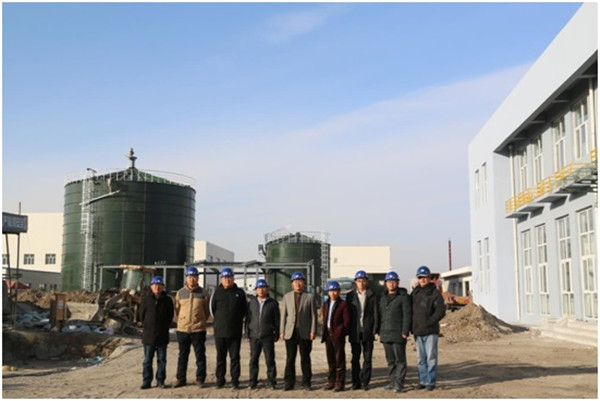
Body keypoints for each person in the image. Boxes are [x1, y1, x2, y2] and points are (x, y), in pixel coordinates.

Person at [210, 267, 248, 389]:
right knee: (220, 357)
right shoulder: (216, 292)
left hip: (235, 332)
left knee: (235, 357)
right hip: (220, 331)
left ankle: (235, 380)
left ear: (233, 278)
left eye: (229, 277)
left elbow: (244, 310)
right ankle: (220, 380)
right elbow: (212, 310)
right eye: (225, 278)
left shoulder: (240, 293)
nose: (227, 280)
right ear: (221, 279)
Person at [280, 271, 318, 391]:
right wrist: (282, 331)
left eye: (300, 281)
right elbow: (283, 315)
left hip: (305, 332)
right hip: (290, 332)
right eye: (295, 282)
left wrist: (313, 331)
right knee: (290, 358)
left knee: (305, 358)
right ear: (292, 284)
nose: (298, 284)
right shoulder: (287, 297)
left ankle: (306, 383)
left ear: (304, 283)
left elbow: (314, 316)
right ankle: (289, 383)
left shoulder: (310, 297)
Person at [174, 266, 210, 388]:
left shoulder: (203, 293)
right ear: (186, 278)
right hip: (183, 329)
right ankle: (181, 379)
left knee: (200, 355)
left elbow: (206, 311)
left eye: (194, 277)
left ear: (198, 278)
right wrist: (182, 321)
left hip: (198, 329)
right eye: (190, 277)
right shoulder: (180, 293)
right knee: (182, 355)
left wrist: (200, 321)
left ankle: (200, 379)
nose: (192, 279)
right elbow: (177, 310)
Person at [411, 265, 446, 391]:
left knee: (431, 358)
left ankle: (430, 382)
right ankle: (422, 381)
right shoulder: (415, 293)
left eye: (425, 277)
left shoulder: (434, 293)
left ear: (429, 278)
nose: (422, 280)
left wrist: (429, 322)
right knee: (421, 359)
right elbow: (410, 311)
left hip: (430, 332)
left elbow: (441, 311)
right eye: (420, 277)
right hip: (418, 331)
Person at [377, 271, 412, 393]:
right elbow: (380, 315)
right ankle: (392, 381)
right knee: (390, 360)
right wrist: (378, 331)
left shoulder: (403, 297)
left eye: (393, 281)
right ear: (386, 283)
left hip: (398, 333)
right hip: (385, 333)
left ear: (397, 283)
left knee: (400, 360)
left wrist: (405, 331)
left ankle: (399, 383)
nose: (391, 284)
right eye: (389, 282)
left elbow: (407, 315)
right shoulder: (383, 298)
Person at [345, 270, 378, 391]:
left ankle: (365, 381)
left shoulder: (372, 295)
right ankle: (356, 382)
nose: (361, 283)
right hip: (355, 331)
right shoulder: (350, 296)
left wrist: (375, 329)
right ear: (355, 282)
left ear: (366, 282)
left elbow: (375, 313)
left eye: (363, 280)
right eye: (359, 281)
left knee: (367, 358)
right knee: (355, 358)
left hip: (368, 330)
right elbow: (347, 314)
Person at [139, 276, 174, 390]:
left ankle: (160, 380)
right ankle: (146, 381)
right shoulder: (146, 300)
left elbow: (170, 316)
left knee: (162, 360)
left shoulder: (167, 300)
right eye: (155, 285)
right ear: (151, 287)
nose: (157, 287)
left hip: (162, 335)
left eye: (159, 285)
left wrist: (163, 326)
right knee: (147, 360)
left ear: (163, 287)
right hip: (149, 335)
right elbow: (141, 316)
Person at [245, 278, 280, 389]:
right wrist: (247, 334)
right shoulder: (251, 303)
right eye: (259, 288)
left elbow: (277, 320)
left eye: (263, 288)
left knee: (270, 360)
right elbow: (248, 319)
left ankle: (272, 381)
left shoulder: (273, 303)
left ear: (267, 289)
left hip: (267, 336)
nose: (261, 290)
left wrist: (276, 333)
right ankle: (253, 382)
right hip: (254, 336)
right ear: (256, 290)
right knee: (253, 360)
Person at [321, 280, 350, 392]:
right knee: (331, 360)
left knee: (339, 360)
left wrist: (340, 332)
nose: (333, 293)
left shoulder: (343, 304)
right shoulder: (326, 304)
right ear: (328, 292)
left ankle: (340, 383)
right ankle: (331, 381)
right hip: (328, 334)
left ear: (339, 292)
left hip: (338, 335)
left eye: (335, 291)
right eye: (331, 291)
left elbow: (346, 322)